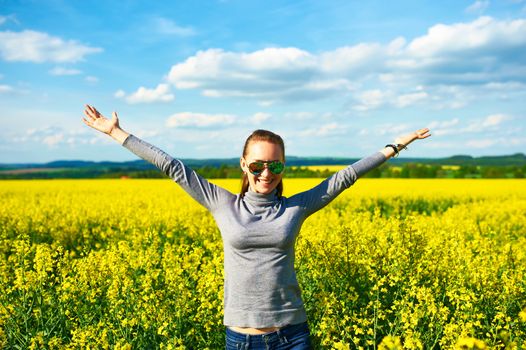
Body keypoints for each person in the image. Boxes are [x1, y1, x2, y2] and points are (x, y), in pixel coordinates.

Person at [82, 104, 431, 349]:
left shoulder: (296, 206)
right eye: (259, 165)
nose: (266, 174)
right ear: (245, 164)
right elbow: (173, 167)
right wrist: (117, 133)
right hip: (241, 339)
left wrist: (396, 145)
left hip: (292, 335)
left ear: (283, 167)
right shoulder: (222, 203)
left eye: (275, 166)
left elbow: (347, 176)